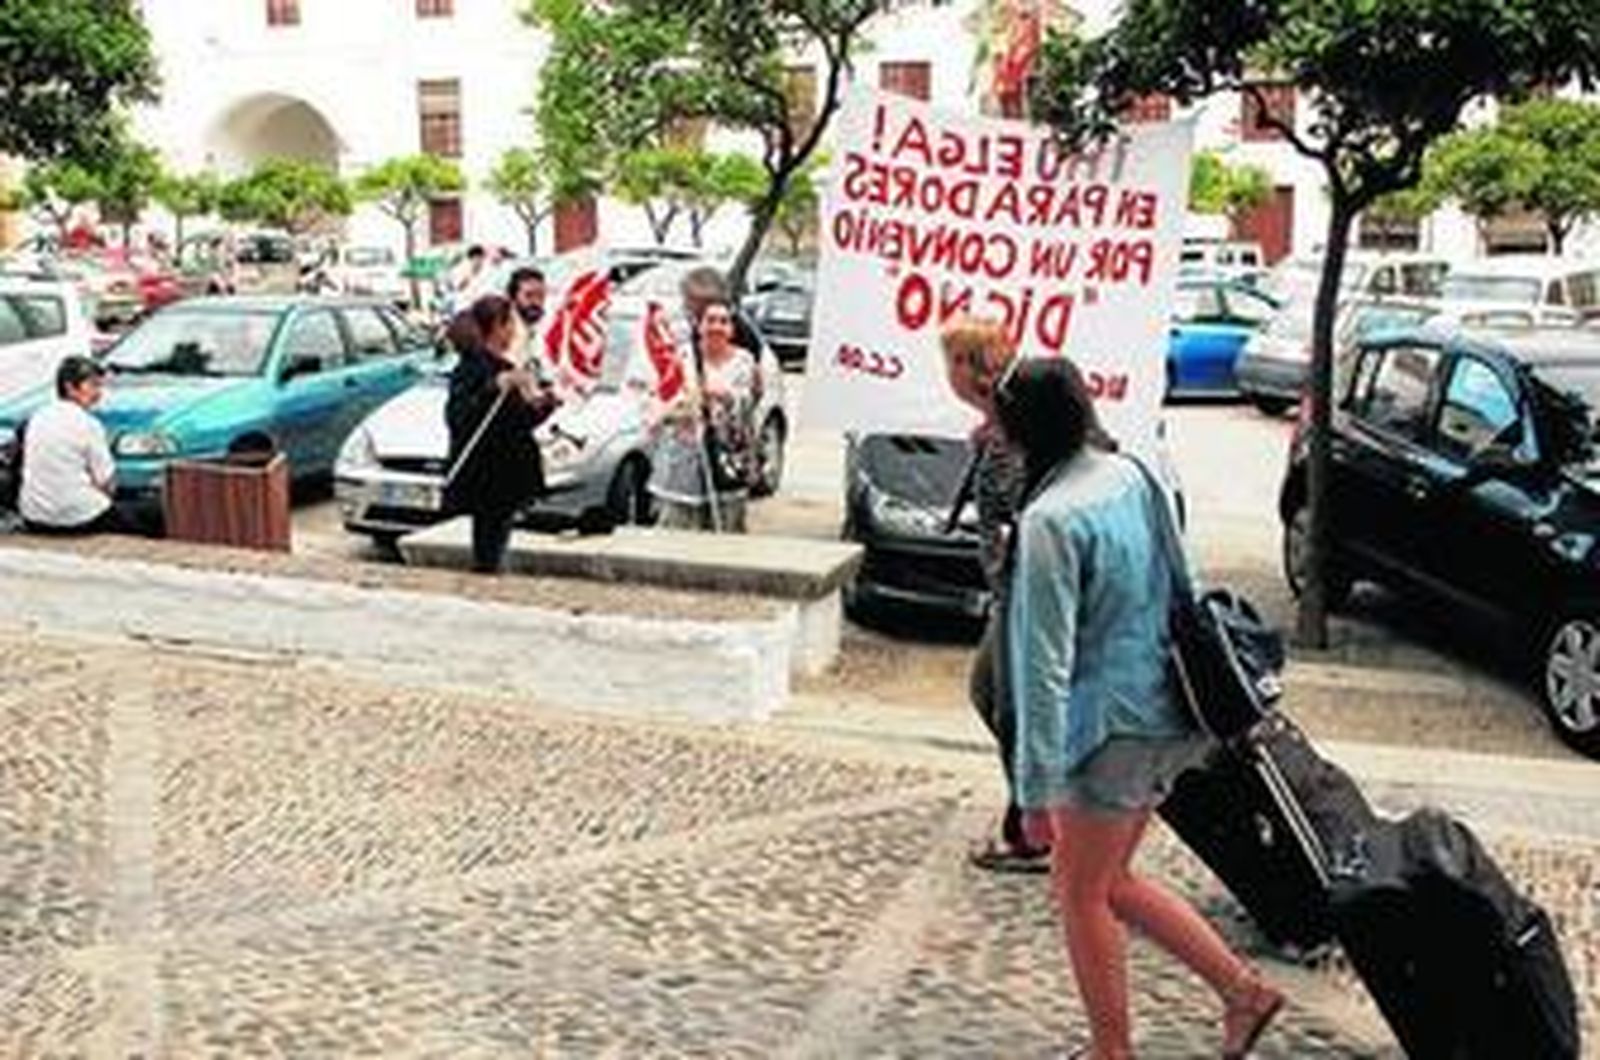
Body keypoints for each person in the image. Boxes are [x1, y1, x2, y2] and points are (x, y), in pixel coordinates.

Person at [998, 357, 1284, 1060]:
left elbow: (1043, 669)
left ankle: (1111, 1051)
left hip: (1109, 731)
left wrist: (1031, 792)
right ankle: (1242, 993)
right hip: (1171, 710)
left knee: (1078, 892)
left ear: (1023, 431)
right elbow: (1181, 584)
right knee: (1110, 881)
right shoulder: (1131, 473)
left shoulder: (1049, 520)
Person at [939, 316, 1047, 875]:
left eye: (951, 359)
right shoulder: (1000, 422)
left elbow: (1021, 507)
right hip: (1011, 588)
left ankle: (1032, 827)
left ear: (967, 366)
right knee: (992, 695)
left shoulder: (1011, 428)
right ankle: (1032, 807)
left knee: (1008, 705)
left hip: (1024, 590)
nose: (947, 371)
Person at [443, 295, 560, 573]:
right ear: (497, 326)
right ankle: (484, 578)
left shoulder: (508, 368)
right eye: (509, 324)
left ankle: (489, 573)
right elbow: (459, 417)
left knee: (498, 535)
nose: (513, 332)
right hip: (486, 474)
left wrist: (545, 406)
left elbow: (518, 421)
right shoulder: (472, 368)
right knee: (488, 540)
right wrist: (493, 388)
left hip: (508, 471)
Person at [648, 299, 758, 532]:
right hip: (682, 459)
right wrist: (681, 405)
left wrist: (724, 396)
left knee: (724, 529)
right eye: (710, 320)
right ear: (699, 325)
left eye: (724, 321)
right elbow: (661, 399)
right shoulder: (682, 358)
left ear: (732, 329)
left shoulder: (744, 361)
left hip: (725, 459)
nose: (716, 327)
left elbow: (746, 403)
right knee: (678, 529)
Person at [19, 356, 119, 535]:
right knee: (151, 514)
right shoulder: (88, 424)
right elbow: (107, 482)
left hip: (33, 518)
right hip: (80, 520)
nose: (99, 393)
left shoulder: (37, 416)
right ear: (70, 388)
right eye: (93, 385)